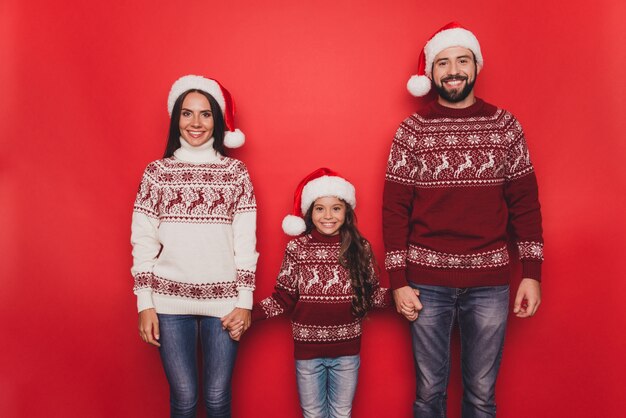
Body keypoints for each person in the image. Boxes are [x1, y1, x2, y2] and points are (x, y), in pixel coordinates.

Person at [383, 22, 544, 418]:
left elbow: (525, 204)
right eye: (443, 63)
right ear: (431, 73)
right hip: (426, 284)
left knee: (482, 396)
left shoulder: (505, 126)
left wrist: (532, 273)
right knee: (429, 393)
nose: (453, 70)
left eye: (461, 60)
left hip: (490, 283)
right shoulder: (412, 130)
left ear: (475, 66)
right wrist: (398, 281)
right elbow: (394, 210)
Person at [131, 74, 258, 418]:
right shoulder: (157, 172)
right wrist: (145, 304)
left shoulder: (236, 172)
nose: (196, 123)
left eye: (205, 114)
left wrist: (244, 302)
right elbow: (143, 241)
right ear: (176, 119)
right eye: (187, 113)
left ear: (217, 119)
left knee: (217, 398)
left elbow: (246, 243)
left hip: (224, 304)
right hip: (169, 304)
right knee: (184, 398)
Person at [243, 168, 390, 418]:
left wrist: (408, 294)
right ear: (310, 213)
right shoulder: (297, 247)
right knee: (312, 413)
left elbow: (372, 293)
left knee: (341, 413)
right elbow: (284, 296)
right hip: (308, 352)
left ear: (347, 212)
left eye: (336, 208)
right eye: (320, 208)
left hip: (347, 351)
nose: (328, 216)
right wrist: (248, 314)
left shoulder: (360, 247)